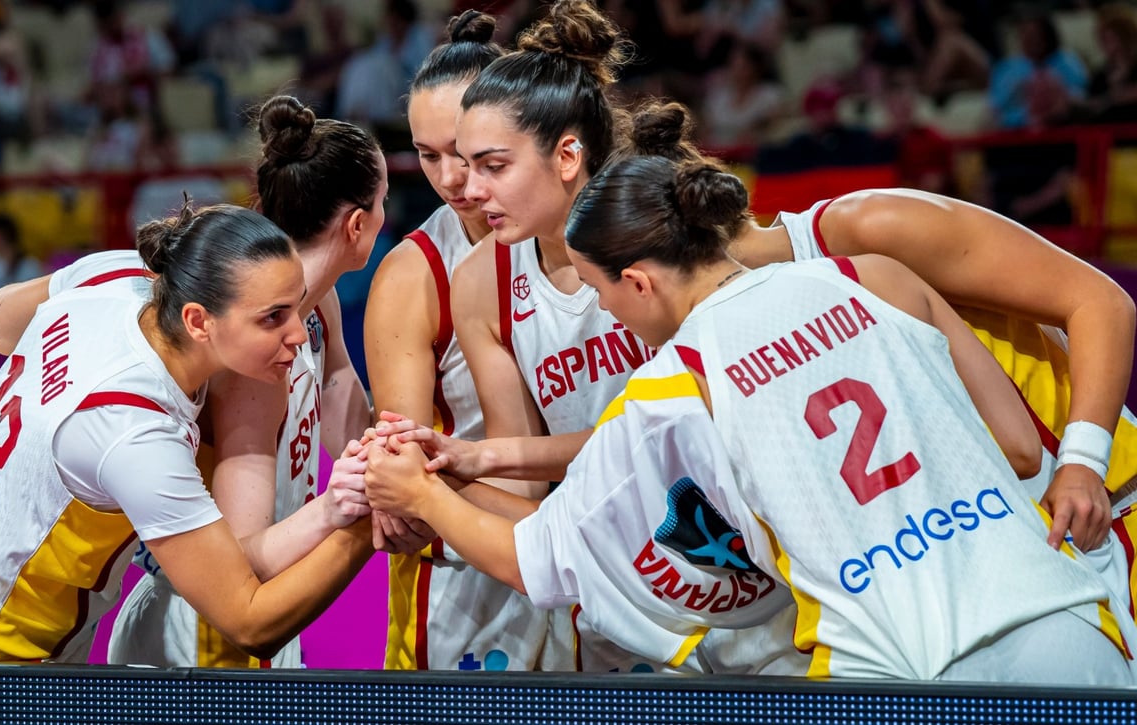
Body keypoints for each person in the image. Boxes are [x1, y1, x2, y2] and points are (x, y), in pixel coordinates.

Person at [363, 153, 1135, 684]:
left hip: (895, 671)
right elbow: (1016, 447)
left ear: (637, 281)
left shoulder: (671, 389)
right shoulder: (873, 277)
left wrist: (423, 494)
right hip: (1056, 622)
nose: (605, 312)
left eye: (601, 294)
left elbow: (536, 556)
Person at [0, 95, 390, 669]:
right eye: (386, 199)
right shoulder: (245, 363)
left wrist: (388, 456)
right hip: (207, 616)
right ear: (358, 224)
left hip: (263, 589)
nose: (290, 332)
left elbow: (345, 418)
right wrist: (357, 512)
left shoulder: (308, 309)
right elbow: (242, 569)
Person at [0, 203, 374, 663]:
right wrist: (361, 525)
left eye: (296, 308)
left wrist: (61, 370)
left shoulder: (115, 274)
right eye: (273, 317)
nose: (295, 335)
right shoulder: (133, 431)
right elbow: (248, 622)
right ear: (198, 321)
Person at [438, 0, 690, 672]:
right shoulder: (481, 281)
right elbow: (526, 483)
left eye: (493, 165)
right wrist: (432, 468)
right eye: (463, 165)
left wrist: (464, 471)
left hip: (718, 560)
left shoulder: (663, 240)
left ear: (568, 154)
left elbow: (670, 433)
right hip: (607, 582)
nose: (468, 188)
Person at [365, 10, 557, 673]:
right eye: (428, 154)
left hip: (608, 555)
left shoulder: (590, 243)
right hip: (467, 580)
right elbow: (404, 481)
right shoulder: (412, 273)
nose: (450, 178)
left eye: (464, 149)